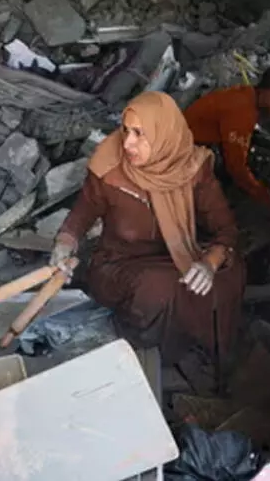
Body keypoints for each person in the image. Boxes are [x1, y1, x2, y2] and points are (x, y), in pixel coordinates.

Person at [50, 91, 246, 365]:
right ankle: (148, 356)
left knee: (229, 274)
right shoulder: (109, 167)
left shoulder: (191, 168)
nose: (127, 143)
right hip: (119, 263)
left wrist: (210, 263)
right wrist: (65, 241)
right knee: (159, 288)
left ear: (164, 135)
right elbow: (82, 213)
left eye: (139, 134)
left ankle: (203, 354)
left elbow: (225, 228)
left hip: (177, 253)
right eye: (126, 130)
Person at [183, 62, 270, 206]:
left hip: (199, 140)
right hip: (185, 153)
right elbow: (236, 168)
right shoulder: (242, 113)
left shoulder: (247, 95)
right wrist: (265, 198)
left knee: (262, 144)